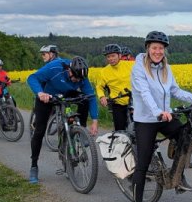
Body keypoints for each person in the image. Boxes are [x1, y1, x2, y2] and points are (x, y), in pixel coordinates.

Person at [128, 31, 192, 202]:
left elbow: (175, 90)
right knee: (143, 164)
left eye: (161, 48)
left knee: (186, 136)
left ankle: (176, 176)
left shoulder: (165, 68)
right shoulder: (139, 68)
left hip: (164, 116)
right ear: (148, 48)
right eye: (154, 47)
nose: (158, 51)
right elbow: (144, 93)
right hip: (146, 120)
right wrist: (157, 112)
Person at [26, 56, 99, 184]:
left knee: (86, 99)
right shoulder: (55, 67)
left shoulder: (81, 75)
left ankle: (80, 130)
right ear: (69, 70)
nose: (77, 81)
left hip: (66, 93)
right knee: (39, 131)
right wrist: (40, 93)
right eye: (75, 78)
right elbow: (32, 78)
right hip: (47, 96)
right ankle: (34, 166)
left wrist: (95, 120)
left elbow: (91, 96)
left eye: (80, 79)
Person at [96, 44, 133, 131]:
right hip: (117, 103)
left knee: (139, 127)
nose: (111, 59)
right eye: (108, 57)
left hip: (134, 101)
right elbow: (99, 87)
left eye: (113, 56)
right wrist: (102, 96)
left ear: (119, 55)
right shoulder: (104, 71)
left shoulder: (130, 65)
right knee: (119, 130)